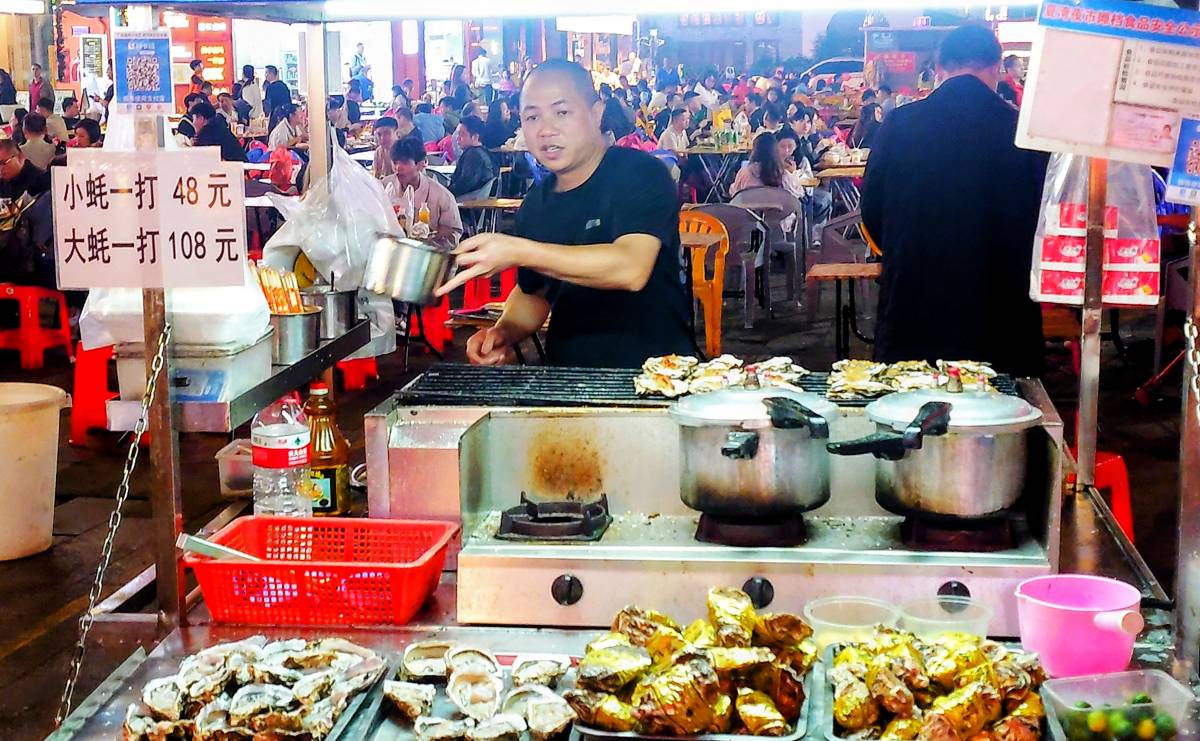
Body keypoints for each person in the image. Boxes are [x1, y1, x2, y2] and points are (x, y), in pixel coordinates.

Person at [436, 59, 693, 368]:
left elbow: (631, 268)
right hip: (568, 377)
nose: (546, 130)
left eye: (562, 113)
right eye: (532, 117)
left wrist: (520, 250)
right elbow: (534, 293)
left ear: (596, 113)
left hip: (658, 373)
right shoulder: (536, 204)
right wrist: (504, 332)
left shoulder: (640, 172)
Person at [861, 23, 1050, 376]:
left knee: (910, 402)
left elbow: (871, 210)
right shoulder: (1023, 130)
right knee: (1003, 401)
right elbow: (1045, 213)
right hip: (1000, 308)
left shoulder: (899, 125)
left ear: (939, 68)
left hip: (914, 303)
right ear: (996, 68)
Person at [385, 137, 464, 244]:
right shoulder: (384, 187)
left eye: (405, 163)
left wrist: (432, 240)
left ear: (421, 164)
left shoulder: (441, 195)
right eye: (395, 162)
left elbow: (452, 233)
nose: (398, 168)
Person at [448, 116, 497, 199]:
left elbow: (464, 184)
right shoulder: (483, 152)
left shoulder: (473, 155)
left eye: (462, 134)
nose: (457, 138)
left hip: (467, 201)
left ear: (475, 137)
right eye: (457, 134)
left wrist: (445, 193)